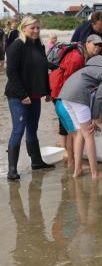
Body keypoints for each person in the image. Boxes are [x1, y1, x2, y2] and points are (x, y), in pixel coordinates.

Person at [56, 54, 102, 179]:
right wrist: (94, 118)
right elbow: (98, 97)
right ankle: (95, 173)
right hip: (78, 96)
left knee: (80, 132)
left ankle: (77, 170)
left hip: (65, 94)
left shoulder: (96, 63)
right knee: (88, 134)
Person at [5, 16, 54, 181]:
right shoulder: (17, 46)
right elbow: (11, 72)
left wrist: (47, 91)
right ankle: (12, 170)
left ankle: (37, 162)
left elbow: (42, 69)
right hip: (18, 96)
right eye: (32, 28)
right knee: (18, 130)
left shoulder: (39, 45)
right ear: (23, 28)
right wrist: (22, 95)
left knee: (32, 130)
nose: (35, 31)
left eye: (38, 28)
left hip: (34, 96)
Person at [49, 34, 102, 167]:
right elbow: (70, 80)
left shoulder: (82, 54)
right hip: (62, 93)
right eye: (95, 44)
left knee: (70, 130)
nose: (98, 48)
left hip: (60, 92)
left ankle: (72, 162)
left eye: (100, 46)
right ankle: (73, 163)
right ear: (87, 43)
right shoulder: (78, 57)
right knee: (74, 131)